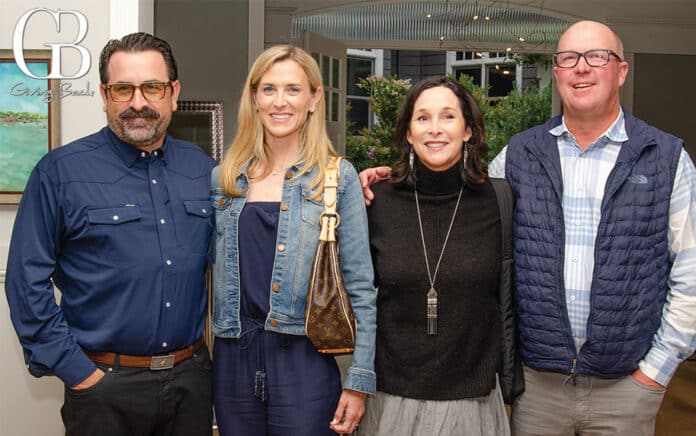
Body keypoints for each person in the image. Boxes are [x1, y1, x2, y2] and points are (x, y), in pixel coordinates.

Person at [360, 20, 696, 436]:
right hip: (536, 390)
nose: (582, 68)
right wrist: (382, 181)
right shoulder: (519, 156)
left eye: (597, 57)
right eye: (568, 58)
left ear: (621, 71)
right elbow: (455, 188)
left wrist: (655, 373)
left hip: (626, 387)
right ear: (556, 73)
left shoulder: (665, 158)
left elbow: (691, 275)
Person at [4, 33, 215, 436]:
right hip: (104, 388)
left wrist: (346, 186)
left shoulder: (203, 170)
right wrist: (78, 373)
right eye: (123, 88)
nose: (139, 103)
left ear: (173, 93)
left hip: (191, 385)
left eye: (152, 87)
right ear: (105, 94)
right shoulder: (60, 172)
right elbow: (25, 282)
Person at [210, 44, 376, 436]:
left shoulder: (336, 178)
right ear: (254, 97)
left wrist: (359, 378)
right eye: (268, 89)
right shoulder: (224, 179)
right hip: (233, 357)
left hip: (304, 359)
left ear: (314, 98)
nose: (279, 102)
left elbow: (361, 289)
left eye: (293, 90)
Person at [357, 76, 520, 436]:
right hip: (390, 400)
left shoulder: (500, 201)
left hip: (473, 402)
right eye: (422, 118)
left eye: (448, 116)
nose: (435, 129)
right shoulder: (374, 201)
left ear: (468, 131)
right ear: (408, 134)